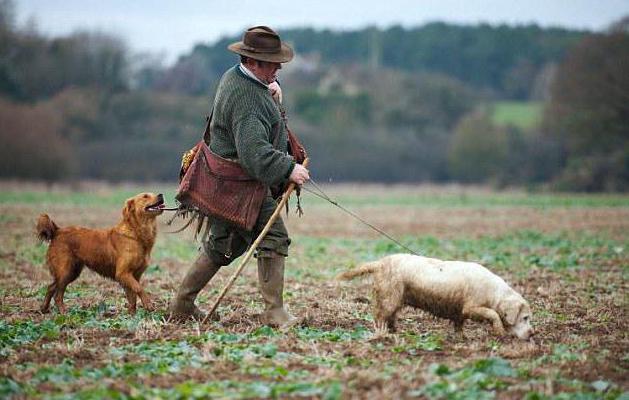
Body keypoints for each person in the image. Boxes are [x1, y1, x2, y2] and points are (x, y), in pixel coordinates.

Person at [168, 26, 309, 327]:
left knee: (222, 243)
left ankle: (181, 304)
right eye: (273, 62)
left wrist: (271, 93)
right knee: (274, 237)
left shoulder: (235, 76)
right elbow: (254, 154)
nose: (279, 67)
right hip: (240, 186)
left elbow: (256, 121)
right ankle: (274, 313)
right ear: (253, 62)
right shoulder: (249, 101)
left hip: (224, 181)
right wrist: (289, 169)